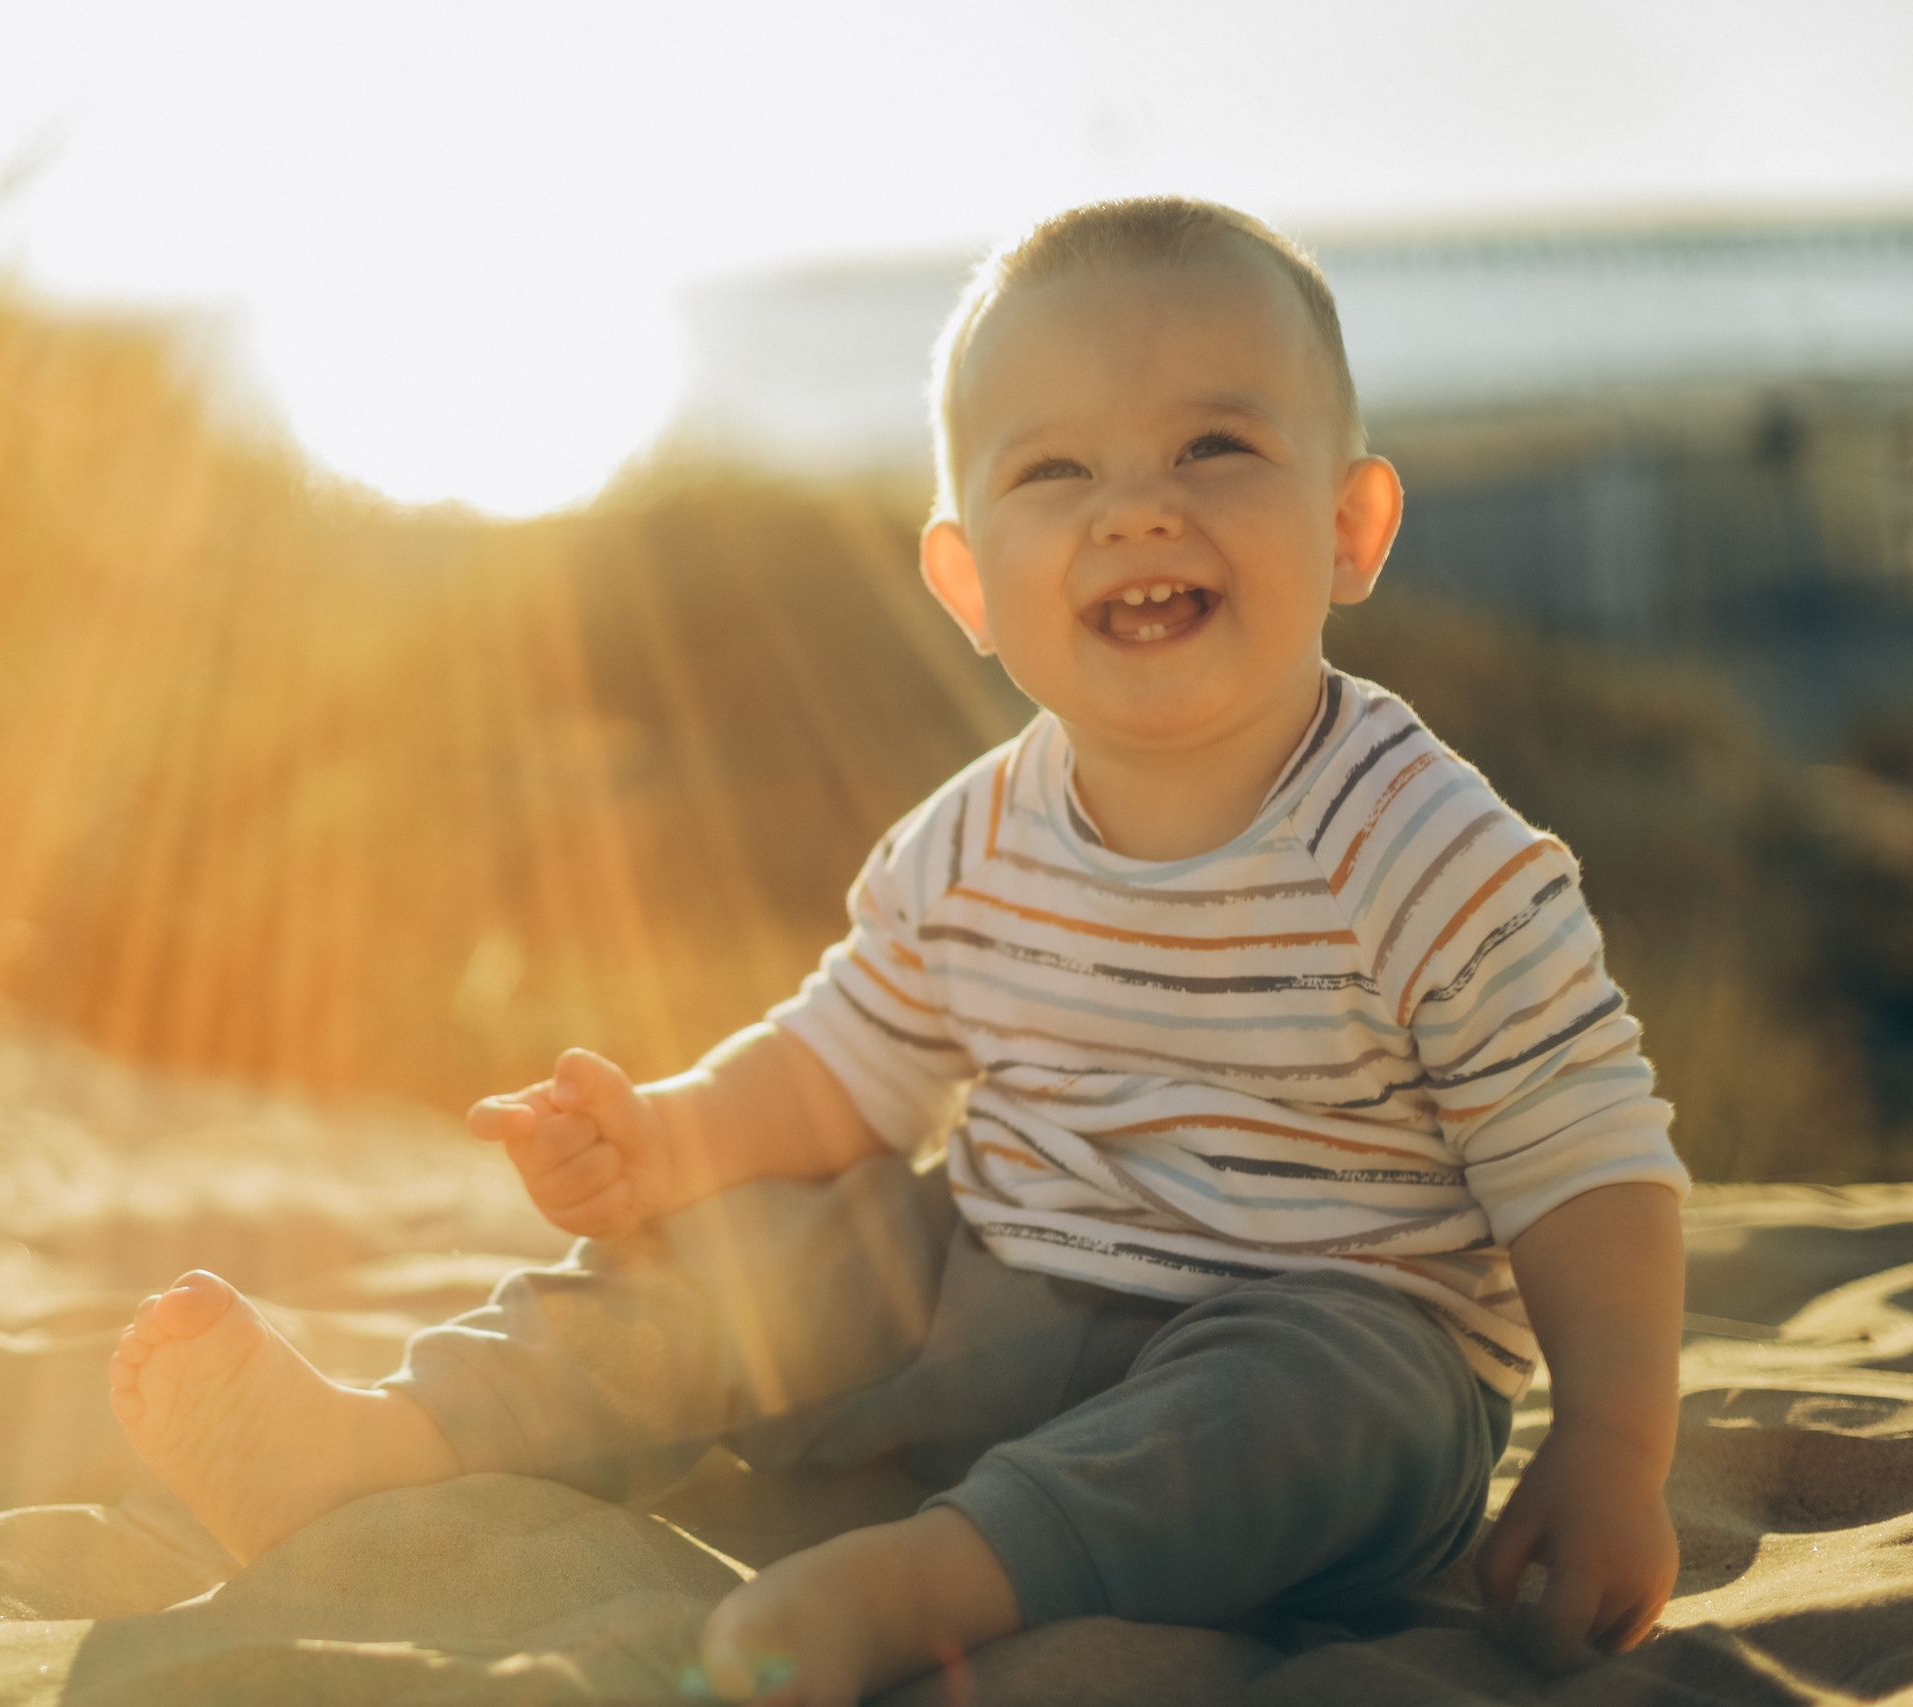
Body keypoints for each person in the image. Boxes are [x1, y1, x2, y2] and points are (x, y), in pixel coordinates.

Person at [107, 197, 1690, 1707]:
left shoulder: (1432, 853)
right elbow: (839, 1060)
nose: (1140, 506)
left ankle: (933, 1585)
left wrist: (1613, 1444)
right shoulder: (976, 838)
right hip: (995, 1304)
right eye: (1055, 469)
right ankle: (392, 1441)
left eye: (1217, 444)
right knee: (786, 1241)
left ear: (1351, 524)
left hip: (1311, 1369)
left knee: (1339, 1391)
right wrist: (670, 1138)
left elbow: (1585, 1159)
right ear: (967, 583)